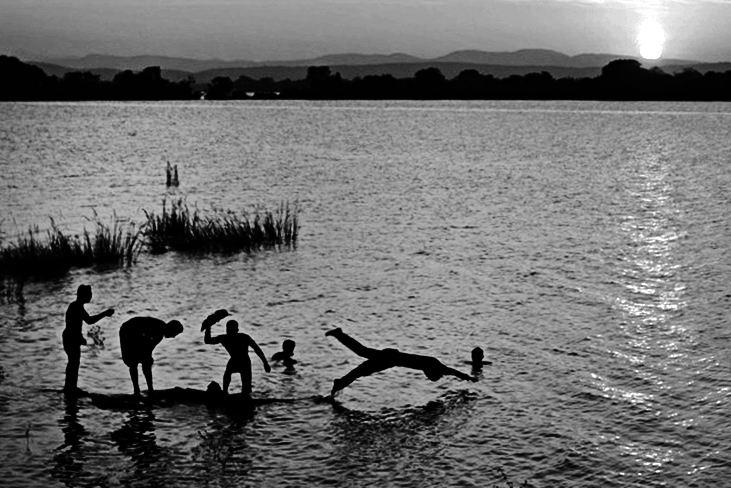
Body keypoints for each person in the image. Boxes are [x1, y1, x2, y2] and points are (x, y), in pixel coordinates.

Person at [325, 328, 477, 396]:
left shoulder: (435, 365)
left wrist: (468, 378)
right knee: (360, 365)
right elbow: (453, 372)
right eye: (430, 376)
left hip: (390, 357)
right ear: (433, 372)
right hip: (388, 359)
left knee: (361, 354)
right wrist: (468, 378)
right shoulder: (434, 365)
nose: (427, 376)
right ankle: (340, 383)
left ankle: (340, 336)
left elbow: (455, 372)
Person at [203, 312, 271, 396]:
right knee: (227, 374)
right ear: (226, 330)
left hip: (244, 362)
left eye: (232, 329)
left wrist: (265, 363)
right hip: (234, 360)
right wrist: (208, 326)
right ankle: (225, 392)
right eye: (228, 329)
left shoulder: (243, 337)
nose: (230, 331)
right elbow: (208, 341)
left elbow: (257, 349)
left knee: (246, 387)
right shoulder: (224, 338)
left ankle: (245, 396)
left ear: (237, 330)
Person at [63, 284, 115, 394]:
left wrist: (80, 337)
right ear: (83, 295)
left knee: (73, 362)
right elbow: (89, 321)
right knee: (73, 362)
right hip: (70, 338)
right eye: (89, 294)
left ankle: (70, 386)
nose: (91, 296)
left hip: (71, 337)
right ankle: (70, 388)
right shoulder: (76, 306)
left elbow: (77, 324)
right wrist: (105, 313)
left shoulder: (76, 306)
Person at [119, 316, 184, 396]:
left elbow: (149, 348)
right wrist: (146, 355)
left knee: (146, 361)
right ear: (171, 328)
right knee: (133, 361)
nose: (173, 336)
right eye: (174, 333)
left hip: (137, 332)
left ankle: (149, 389)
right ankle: (138, 390)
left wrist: (147, 356)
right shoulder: (157, 329)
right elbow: (144, 341)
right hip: (128, 330)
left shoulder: (160, 334)